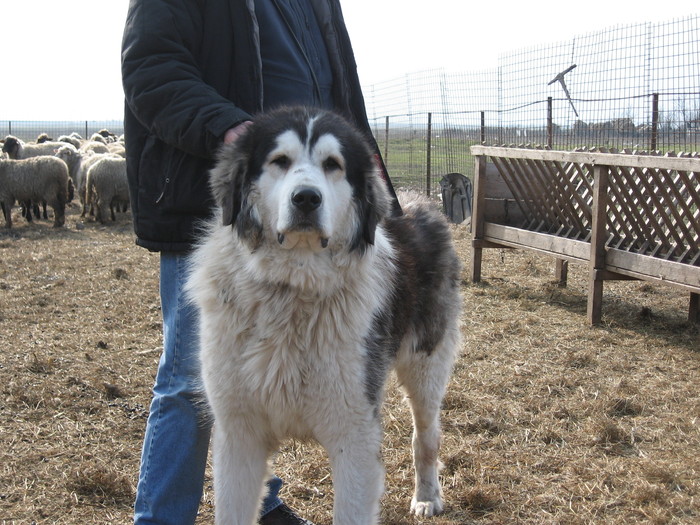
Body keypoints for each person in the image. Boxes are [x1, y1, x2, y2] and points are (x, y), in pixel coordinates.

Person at [121, 0, 400, 523]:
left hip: (320, 211)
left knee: (275, 384)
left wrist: (375, 186)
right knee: (191, 384)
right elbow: (150, 66)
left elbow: (343, 88)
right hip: (228, 209)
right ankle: (162, 517)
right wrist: (232, 132)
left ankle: (257, 504)